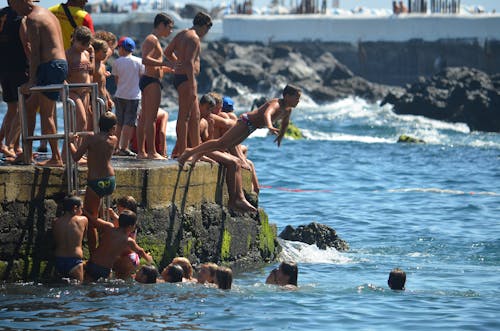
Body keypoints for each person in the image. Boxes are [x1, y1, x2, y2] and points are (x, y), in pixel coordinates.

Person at [178, 84, 302, 166]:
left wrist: (280, 136)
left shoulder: (288, 109)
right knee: (221, 143)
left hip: (252, 127)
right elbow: (267, 114)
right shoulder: (277, 104)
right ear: (286, 96)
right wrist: (269, 125)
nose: (298, 101)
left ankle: (196, 156)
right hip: (246, 122)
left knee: (226, 144)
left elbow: (285, 123)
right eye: (296, 98)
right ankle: (190, 152)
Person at [11, 0, 68, 167]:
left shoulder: (32, 19)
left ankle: (56, 158)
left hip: (49, 66)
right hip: (57, 64)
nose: (13, 9)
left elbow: (35, 53)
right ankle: (27, 154)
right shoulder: (47, 13)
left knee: (47, 114)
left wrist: (31, 81)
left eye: (14, 4)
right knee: (29, 108)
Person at [164, 11, 213, 158]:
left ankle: (195, 151)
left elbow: (168, 52)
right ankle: (183, 151)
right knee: (184, 116)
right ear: (204, 26)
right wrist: (193, 86)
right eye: (207, 29)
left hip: (182, 78)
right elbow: (190, 64)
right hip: (187, 79)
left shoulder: (182, 34)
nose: (206, 33)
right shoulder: (194, 38)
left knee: (195, 116)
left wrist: (176, 63)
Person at [69, 111, 118, 256]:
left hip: (95, 182)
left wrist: (71, 142)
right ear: (113, 128)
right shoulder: (114, 139)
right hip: (110, 180)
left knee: (91, 222)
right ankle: (105, 244)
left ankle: (94, 255)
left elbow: (76, 157)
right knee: (99, 213)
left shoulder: (91, 138)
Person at [198, 94, 256, 212]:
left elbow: (207, 140)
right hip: (201, 151)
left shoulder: (206, 120)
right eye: (209, 109)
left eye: (212, 109)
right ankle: (236, 199)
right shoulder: (197, 120)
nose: (211, 112)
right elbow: (196, 145)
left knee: (238, 161)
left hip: (207, 149)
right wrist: (202, 157)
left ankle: (238, 199)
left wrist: (211, 128)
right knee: (234, 162)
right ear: (200, 106)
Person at [136, 13, 174, 160]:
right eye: (169, 28)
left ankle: (141, 152)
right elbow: (145, 59)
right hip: (151, 82)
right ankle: (151, 152)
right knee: (150, 118)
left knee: (144, 117)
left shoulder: (152, 39)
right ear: (161, 25)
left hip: (148, 79)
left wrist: (165, 69)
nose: (170, 31)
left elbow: (151, 64)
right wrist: (164, 63)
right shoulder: (152, 39)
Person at [84, 210, 153, 282]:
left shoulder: (108, 227)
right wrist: (148, 258)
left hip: (91, 264)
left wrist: (84, 211)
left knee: (87, 285)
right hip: (104, 269)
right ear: (130, 226)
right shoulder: (127, 240)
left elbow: (94, 220)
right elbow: (140, 251)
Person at [0, 0, 28, 160]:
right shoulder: (20, 15)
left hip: (3, 66)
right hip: (18, 65)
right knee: (21, 108)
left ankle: (13, 145)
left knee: (12, 108)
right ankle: (12, 145)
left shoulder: (2, 13)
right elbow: (26, 42)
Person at [112, 36, 144, 157]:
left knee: (119, 122)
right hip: (134, 96)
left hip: (120, 94)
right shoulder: (139, 61)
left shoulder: (117, 62)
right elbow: (141, 78)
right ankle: (124, 147)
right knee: (129, 123)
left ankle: (115, 147)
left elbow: (116, 79)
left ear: (121, 48)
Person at [52, 195, 88, 282]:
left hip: (59, 259)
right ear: (75, 208)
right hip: (74, 261)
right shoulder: (83, 220)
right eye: (81, 208)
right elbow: (85, 237)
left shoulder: (55, 222)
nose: (82, 211)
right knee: (77, 289)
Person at [66, 26, 93, 137]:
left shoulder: (86, 53)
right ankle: (67, 151)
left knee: (84, 125)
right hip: (73, 92)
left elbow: (91, 72)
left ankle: (77, 152)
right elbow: (63, 75)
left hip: (85, 92)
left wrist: (92, 54)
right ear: (74, 40)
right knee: (79, 121)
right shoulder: (68, 54)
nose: (84, 47)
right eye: (82, 44)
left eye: (87, 45)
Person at [91, 38, 109, 130]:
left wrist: (108, 99)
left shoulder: (102, 65)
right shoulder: (92, 65)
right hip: (94, 97)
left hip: (103, 97)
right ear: (96, 51)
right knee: (94, 123)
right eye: (104, 52)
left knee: (105, 123)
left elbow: (103, 85)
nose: (106, 54)